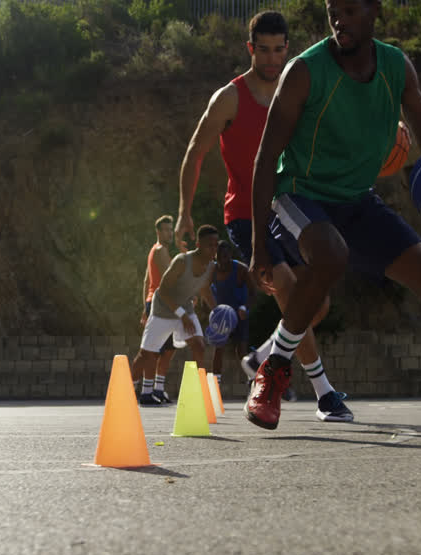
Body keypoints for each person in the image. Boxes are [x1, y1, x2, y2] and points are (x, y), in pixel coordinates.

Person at [245, 0, 421, 432]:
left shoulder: (396, 67)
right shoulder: (305, 72)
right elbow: (265, 156)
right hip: (298, 194)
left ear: (374, 10)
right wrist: (258, 248)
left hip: (355, 200)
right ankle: (272, 373)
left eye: (349, 9)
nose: (338, 18)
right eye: (332, 9)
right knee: (331, 254)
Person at [175, 10, 352, 423]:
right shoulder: (230, 98)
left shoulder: (296, 91)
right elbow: (194, 153)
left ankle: (263, 357)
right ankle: (324, 394)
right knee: (289, 287)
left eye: (279, 50)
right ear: (250, 49)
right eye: (264, 51)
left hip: (289, 209)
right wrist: (184, 212)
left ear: (288, 49)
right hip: (244, 213)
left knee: (317, 303)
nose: (272, 60)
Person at [136, 224, 219, 406]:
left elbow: (204, 288)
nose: (213, 249)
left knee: (198, 345)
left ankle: (198, 394)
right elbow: (163, 291)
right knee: (146, 354)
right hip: (163, 308)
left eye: (216, 245)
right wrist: (181, 314)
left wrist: (216, 310)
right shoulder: (180, 260)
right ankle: (135, 387)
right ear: (198, 244)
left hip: (185, 308)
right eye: (209, 245)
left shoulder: (211, 266)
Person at [131, 215, 182, 404]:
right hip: (160, 304)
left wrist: (144, 306)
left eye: (171, 229)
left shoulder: (157, 251)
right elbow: (173, 279)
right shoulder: (160, 250)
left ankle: (157, 389)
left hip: (159, 304)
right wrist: (148, 305)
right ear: (158, 232)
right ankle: (141, 391)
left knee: (168, 350)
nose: (169, 233)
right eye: (167, 230)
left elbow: (146, 280)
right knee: (149, 351)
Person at [207, 240, 253, 387]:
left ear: (230, 255)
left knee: (241, 349)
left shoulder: (241, 269)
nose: (222, 261)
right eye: (219, 258)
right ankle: (216, 383)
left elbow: (253, 292)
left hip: (239, 313)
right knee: (218, 347)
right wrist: (210, 309)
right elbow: (204, 290)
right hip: (221, 315)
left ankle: (252, 379)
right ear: (215, 257)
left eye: (225, 257)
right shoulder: (212, 270)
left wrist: (245, 308)